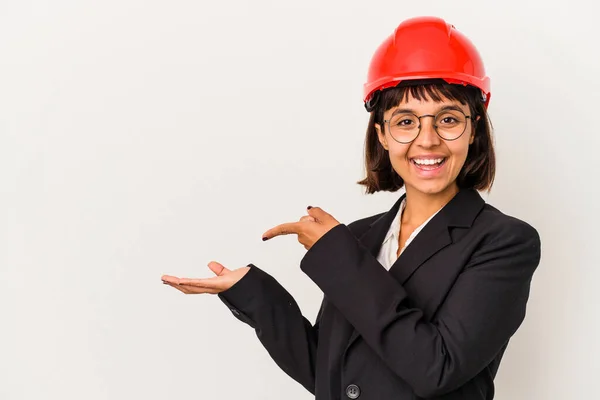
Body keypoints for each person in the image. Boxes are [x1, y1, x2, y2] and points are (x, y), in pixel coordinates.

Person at [161, 16, 541, 400]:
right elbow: (329, 374)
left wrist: (338, 256)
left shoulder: (504, 241)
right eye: (405, 121)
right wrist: (255, 294)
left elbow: (436, 369)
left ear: (473, 129)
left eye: (447, 119)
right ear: (382, 134)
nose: (427, 140)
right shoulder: (361, 237)